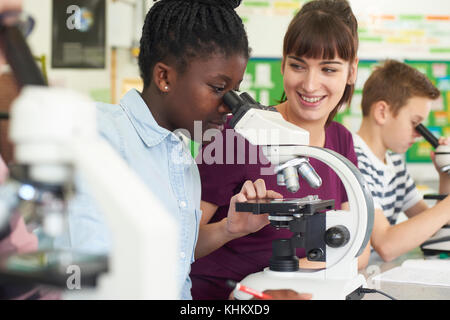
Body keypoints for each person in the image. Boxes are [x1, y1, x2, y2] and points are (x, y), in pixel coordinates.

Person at [53, 0, 310, 300]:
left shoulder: (179, 155)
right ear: (165, 78)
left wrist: (230, 228)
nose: (228, 107)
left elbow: (176, 255)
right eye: (217, 88)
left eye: (234, 91)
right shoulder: (99, 137)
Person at [190, 0, 371, 300]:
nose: (310, 85)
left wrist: (288, 273)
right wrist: (230, 229)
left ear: (351, 72)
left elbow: (357, 248)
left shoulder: (341, 141)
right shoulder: (239, 135)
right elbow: (178, 246)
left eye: (328, 69)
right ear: (283, 65)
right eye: (298, 65)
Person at [354, 59, 450, 262]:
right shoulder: (354, 159)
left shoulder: (394, 164)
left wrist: (445, 174)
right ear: (382, 112)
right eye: (415, 123)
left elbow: (434, 232)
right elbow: (386, 245)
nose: (419, 134)